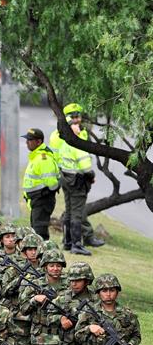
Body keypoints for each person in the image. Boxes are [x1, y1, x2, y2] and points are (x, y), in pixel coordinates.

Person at [50, 104, 103, 254]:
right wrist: (91, 175)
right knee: (76, 213)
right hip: (76, 178)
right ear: (65, 119)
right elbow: (83, 159)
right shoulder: (70, 136)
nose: (76, 120)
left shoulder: (67, 133)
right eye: (72, 117)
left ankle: (68, 242)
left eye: (77, 116)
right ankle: (76, 245)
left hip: (66, 176)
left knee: (70, 211)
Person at [20, 128, 60, 240]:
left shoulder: (43, 158)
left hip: (42, 200)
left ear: (39, 142)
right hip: (37, 201)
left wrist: (42, 193)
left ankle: (45, 256)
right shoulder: (36, 156)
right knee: (36, 232)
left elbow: (52, 184)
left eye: (30, 140)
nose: (27, 142)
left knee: (39, 234)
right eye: (27, 139)